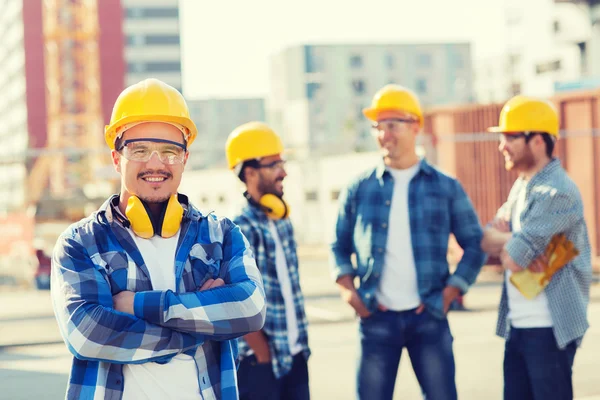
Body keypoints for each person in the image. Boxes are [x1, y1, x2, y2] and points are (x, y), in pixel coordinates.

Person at [51, 78, 266, 400]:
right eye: (140, 150)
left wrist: (136, 305)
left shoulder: (221, 235)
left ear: (185, 158)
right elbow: (89, 335)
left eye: (169, 151)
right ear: (115, 158)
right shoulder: (80, 242)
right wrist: (202, 327)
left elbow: (249, 309)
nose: (156, 164)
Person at [330, 84, 487, 400]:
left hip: (428, 316)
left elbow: (475, 243)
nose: (383, 134)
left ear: (416, 126)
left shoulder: (445, 187)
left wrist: (451, 292)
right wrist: (350, 292)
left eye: (392, 125)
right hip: (376, 317)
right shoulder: (359, 189)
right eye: (377, 126)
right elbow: (339, 244)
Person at [481, 95, 592, 400]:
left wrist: (514, 243)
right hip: (519, 325)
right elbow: (486, 241)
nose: (502, 145)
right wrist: (518, 240)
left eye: (511, 137)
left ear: (538, 141)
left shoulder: (557, 192)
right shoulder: (523, 186)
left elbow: (514, 260)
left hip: (548, 329)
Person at [225, 122, 311, 400]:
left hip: (295, 354)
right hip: (259, 363)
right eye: (274, 164)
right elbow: (234, 299)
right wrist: (262, 352)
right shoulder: (238, 229)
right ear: (250, 172)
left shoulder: (282, 222)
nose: (283, 172)